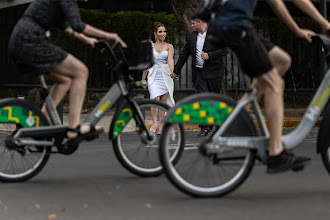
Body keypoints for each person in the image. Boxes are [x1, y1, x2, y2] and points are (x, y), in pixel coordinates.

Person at [207, 0, 330, 174]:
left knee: (282, 60)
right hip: (235, 28)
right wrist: (323, 24)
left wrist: (298, 29)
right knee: (275, 84)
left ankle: (234, 120)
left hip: (232, 26)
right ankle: (276, 153)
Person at [8, 0, 127, 142]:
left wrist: (85, 39)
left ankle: (42, 123)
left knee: (65, 80)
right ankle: (74, 127)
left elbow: (66, 27)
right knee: (81, 71)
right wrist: (109, 36)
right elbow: (78, 25)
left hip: (21, 42)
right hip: (31, 42)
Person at [172, 18, 228, 136]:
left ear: (200, 22)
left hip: (214, 72)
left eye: (193, 23)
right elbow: (185, 53)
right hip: (198, 73)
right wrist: (176, 71)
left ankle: (215, 126)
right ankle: (205, 127)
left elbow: (224, 50)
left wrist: (210, 55)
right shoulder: (192, 36)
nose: (192, 26)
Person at [142, 22, 175, 135]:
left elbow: (170, 59)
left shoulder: (169, 46)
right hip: (153, 75)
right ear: (155, 33)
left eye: (164, 31)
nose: (163, 34)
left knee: (163, 100)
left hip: (165, 75)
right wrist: (143, 79)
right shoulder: (150, 46)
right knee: (155, 97)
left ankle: (161, 124)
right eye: (160, 31)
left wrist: (172, 72)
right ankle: (154, 122)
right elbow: (147, 63)